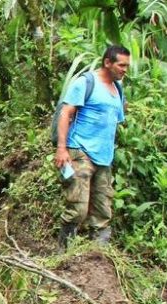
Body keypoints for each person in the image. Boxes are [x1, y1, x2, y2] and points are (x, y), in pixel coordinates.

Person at [54, 45, 130, 249]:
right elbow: (65, 113)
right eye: (121, 65)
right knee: (77, 208)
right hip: (80, 152)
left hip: (104, 158)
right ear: (107, 63)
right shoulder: (86, 83)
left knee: (102, 211)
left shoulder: (118, 90)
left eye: (127, 66)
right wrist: (62, 149)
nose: (125, 70)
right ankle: (63, 255)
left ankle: (98, 260)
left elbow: (115, 120)